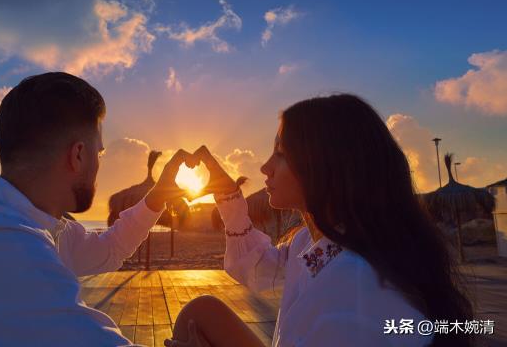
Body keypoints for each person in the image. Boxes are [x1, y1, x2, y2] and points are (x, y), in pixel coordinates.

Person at [0, 72, 198, 346]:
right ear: (78, 154)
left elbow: (109, 250)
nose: (99, 163)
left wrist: (156, 197)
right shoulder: (6, 250)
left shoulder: (23, 223)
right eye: (99, 152)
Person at [166, 94, 473, 347]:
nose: (265, 167)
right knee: (201, 312)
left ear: (325, 166)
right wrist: (228, 193)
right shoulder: (318, 242)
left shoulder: (349, 295)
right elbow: (257, 269)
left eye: (281, 153)